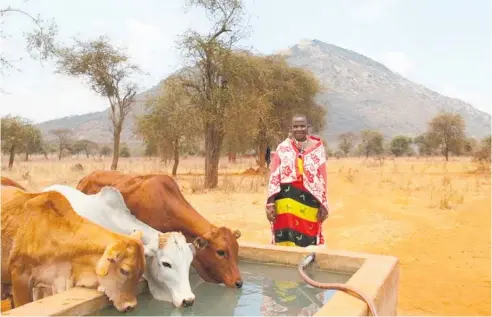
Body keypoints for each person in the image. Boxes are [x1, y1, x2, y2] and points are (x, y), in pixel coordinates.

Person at [265, 114, 329, 247]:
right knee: (285, 237)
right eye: (295, 126)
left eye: (302, 126)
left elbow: (323, 178)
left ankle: (306, 265)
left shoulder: (318, 148)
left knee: (309, 239)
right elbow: (274, 176)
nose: (299, 129)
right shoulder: (282, 148)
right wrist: (270, 204)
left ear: (308, 127)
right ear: (291, 128)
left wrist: (323, 204)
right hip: (285, 203)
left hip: (310, 202)